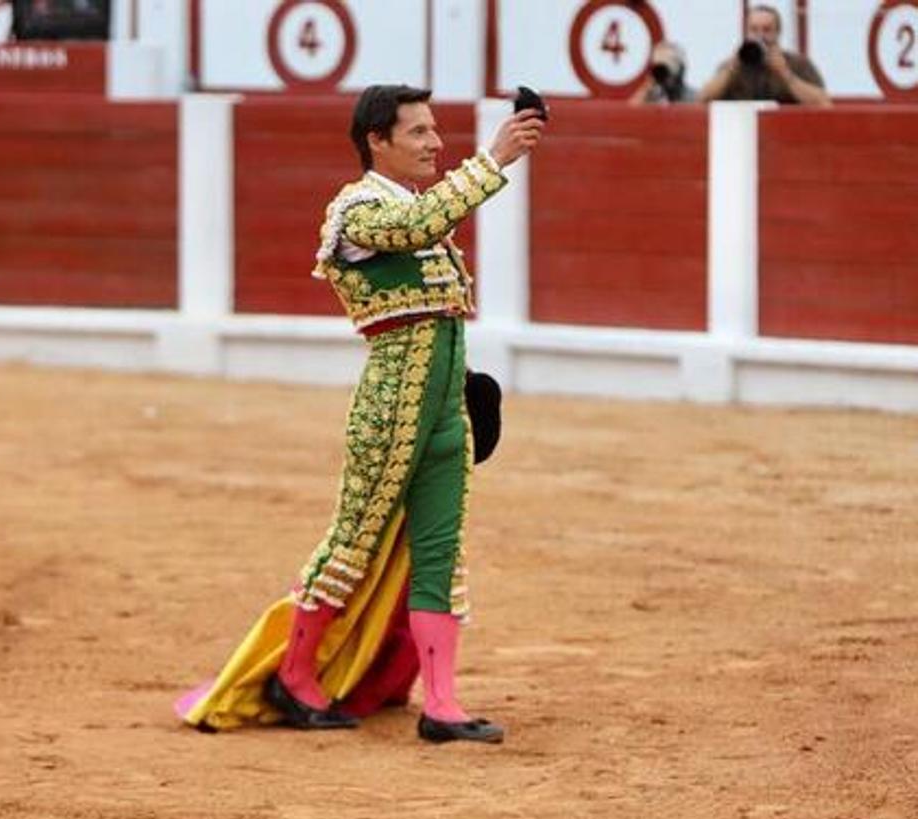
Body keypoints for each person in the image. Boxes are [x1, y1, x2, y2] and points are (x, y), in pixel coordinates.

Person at [174, 85, 544, 744]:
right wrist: (493, 160)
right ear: (378, 140)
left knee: (439, 554)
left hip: (443, 403)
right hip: (389, 405)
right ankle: (293, 675)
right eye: (420, 133)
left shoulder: (418, 209)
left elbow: (432, 244)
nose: (435, 143)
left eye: (435, 131)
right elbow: (418, 226)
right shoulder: (356, 211)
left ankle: (444, 705)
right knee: (353, 543)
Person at [699, 4, 831, 106]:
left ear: (778, 32)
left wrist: (785, 74)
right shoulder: (733, 64)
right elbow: (703, 99)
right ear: (746, 32)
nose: (760, 36)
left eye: (767, 30)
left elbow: (822, 102)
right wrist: (731, 69)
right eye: (754, 29)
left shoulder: (798, 64)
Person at [629, 41, 698, 105]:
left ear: (681, 70)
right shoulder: (652, 99)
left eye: (666, 69)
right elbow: (629, 113)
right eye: (660, 70)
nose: (665, 75)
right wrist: (646, 90)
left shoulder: (696, 99)